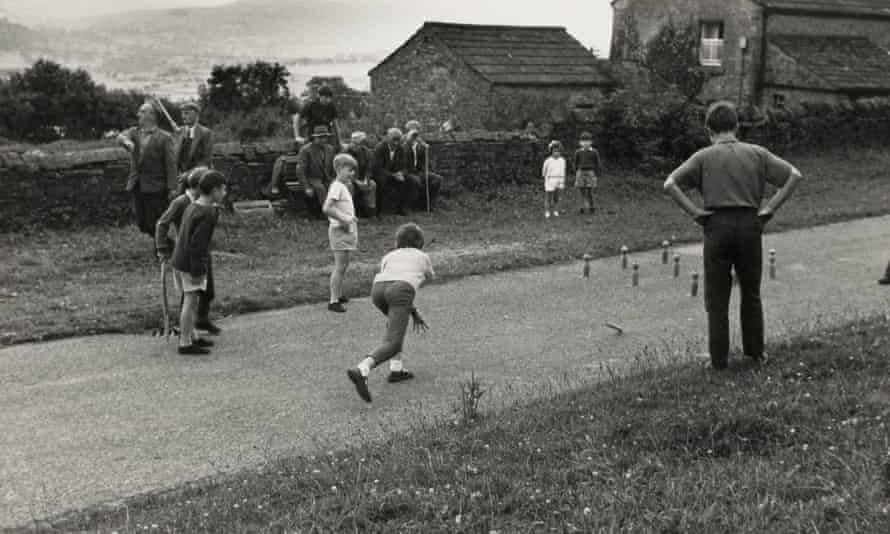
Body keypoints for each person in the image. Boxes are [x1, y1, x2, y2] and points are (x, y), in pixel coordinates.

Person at [664, 101, 803, 370]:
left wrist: (695, 212)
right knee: (751, 292)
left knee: (717, 297)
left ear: (708, 130)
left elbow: (670, 184)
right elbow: (794, 175)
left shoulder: (703, 157)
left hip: (717, 225)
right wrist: (770, 209)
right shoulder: (757, 153)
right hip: (751, 223)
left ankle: (719, 360)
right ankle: (755, 353)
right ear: (736, 126)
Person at [347, 223, 434, 403]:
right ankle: (363, 369)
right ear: (420, 242)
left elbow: (391, 278)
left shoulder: (389, 256)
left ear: (397, 241)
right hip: (401, 291)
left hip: (377, 290)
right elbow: (428, 277)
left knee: (395, 329)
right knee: (393, 342)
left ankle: (396, 369)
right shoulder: (422, 256)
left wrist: (413, 311)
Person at [155, 166, 221, 335]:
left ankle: (202, 320)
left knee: (208, 291)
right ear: (199, 186)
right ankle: (186, 332)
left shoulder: (206, 203)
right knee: (190, 294)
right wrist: (163, 249)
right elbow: (162, 223)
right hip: (188, 253)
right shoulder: (181, 202)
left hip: (202, 252)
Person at [170, 170, 227, 355]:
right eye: (222, 189)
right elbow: (198, 245)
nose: (224, 193)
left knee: (192, 301)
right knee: (190, 299)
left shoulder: (193, 206)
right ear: (214, 191)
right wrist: (198, 271)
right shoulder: (207, 213)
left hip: (179, 260)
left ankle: (192, 336)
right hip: (189, 263)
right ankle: (185, 343)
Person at [117, 102, 178, 246]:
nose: (138, 114)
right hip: (137, 184)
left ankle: (163, 249)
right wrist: (127, 142)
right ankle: (170, 245)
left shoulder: (165, 137)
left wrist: (173, 187)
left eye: (142, 111)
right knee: (142, 224)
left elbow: (171, 164)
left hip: (157, 186)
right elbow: (120, 137)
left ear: (151, 115)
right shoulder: (134, 132)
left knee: (156, 222)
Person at [323, 154, 360, 313]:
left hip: (345, 230)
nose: (352, 173)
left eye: (353, 170)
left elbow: (342, 207)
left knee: (344, 265)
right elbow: (327, 208)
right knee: (340, 266)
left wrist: (351, 218)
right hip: (340, 231)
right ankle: (333, 301)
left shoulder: (343, 186)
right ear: (338, 169)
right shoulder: (337, 186)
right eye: (349, 170)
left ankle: (338, 294)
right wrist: (345, 219)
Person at [295, 125, 337, 218]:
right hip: (312, 177)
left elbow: (334, 166)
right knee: (321, 189)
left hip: (327, 177)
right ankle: (329, 215)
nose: (323, 140)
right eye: (320, 137)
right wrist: (306, 187)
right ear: (314, 138)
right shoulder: (306, 150)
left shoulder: (330, 148)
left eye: (325, 137)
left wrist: (335, 179)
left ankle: (342, 212)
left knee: (337, 187)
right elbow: (300, 170)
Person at [404, 121, 444, 212]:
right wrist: (408, 142)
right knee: (415, 180)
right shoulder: (403, 142)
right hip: (406, 171)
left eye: (417, 130)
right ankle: (407, 206)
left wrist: (425, 170)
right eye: (412, 130)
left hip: (418, 171)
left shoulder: (421, 144)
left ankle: (428, 204)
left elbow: (424, 161)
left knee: (437, 179)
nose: (415, 133)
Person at [371, 128, 410, 217]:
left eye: (398, 140)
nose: (396, 143)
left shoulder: (400, 148)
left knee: (407, 180)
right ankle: (378, 210)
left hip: (394, 174)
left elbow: (404, 165)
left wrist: (401, 173)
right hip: (381, 174)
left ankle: (401, 208)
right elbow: (377, 168)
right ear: (388, 137)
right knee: (381, 181)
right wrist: (393, 175)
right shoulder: (380, 147)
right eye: (394, 139)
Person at [176, 102, 213, 180]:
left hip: (199, 178)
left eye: (186, 113)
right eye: (182, 114)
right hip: (179, 177)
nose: (183, 117)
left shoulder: (205, 133)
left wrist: (188, 174)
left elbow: (206, 161)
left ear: (196, 115)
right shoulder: (181, 131)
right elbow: (176, 156)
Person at [345, 131, 377, 218]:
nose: (357, 146)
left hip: (362, 179)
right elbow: (344, 170)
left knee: (372, 184)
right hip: (347, 179)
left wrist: (366, 180)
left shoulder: (367, 152)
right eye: (355, 143)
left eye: (360, 144)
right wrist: (356, 181)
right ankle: (349, 213)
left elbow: (369, 169)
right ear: (351, 142)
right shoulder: (345, 152)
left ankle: (370, 212)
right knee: (349, 186)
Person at [573, 132, 602, 215]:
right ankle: (582, 207)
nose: (585, 143)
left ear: (591, 142)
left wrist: (597, 173)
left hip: (590, 172)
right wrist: (576, 171)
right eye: (583, 141)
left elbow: (597, 163)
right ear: (580, 142)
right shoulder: (578, 152)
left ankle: (591, 207)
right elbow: (575, 162)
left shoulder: (594, 152)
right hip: (580, 172)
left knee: (589, 192)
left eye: (587, 141)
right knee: (581, 191)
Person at [542, 140, 566, 218]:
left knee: (557, 197)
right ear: (551, 151)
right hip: (550, 180)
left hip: (559, 180)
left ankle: (556, 210)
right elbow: (544, 171)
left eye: (558, 151)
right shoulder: (548, 161)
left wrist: (562, 181)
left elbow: (563, 171)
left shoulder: (562, 160)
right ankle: (547, 211)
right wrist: (546, 179)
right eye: (555, 151)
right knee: (548, 197)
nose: (556, 153)